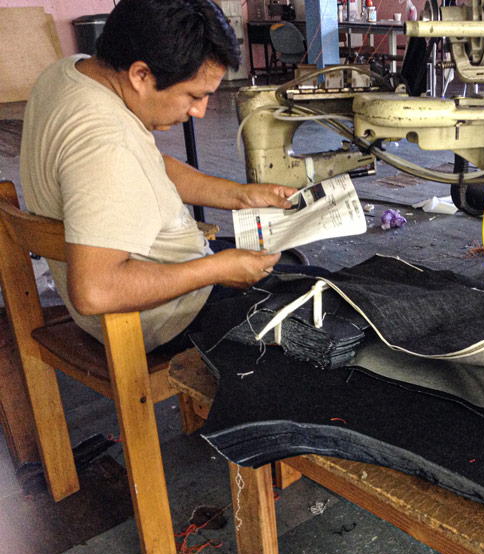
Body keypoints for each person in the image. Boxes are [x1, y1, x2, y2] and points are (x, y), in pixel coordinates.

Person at [20, 0, 296, 352]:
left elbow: (147, 164)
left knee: (300, 274)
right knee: (341, 304)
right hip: (164, 319)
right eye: (194, 96)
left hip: (169, 282)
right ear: (140, 75)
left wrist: (240, 196)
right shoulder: (107, 145)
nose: (199, 111)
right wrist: (214, 270)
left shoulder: (72, 72)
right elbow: (96, 290)